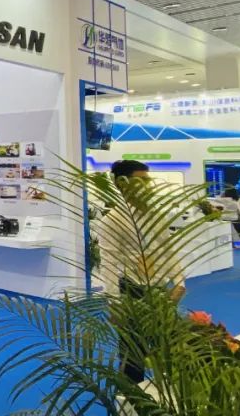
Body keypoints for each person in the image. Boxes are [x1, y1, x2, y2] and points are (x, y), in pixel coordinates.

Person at [97, 160, 186, 384]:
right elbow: (109, 263)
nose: (148, 186)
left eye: (148, 180)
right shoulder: (113, 220)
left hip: (160, 290)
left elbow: (168, 249)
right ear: (122, 183)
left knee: (169, 347)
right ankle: (131, 396)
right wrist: (114, 303)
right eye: (141, 181)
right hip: (132, 292)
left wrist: (179, 281)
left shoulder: (155, 215)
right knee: (133, 353)